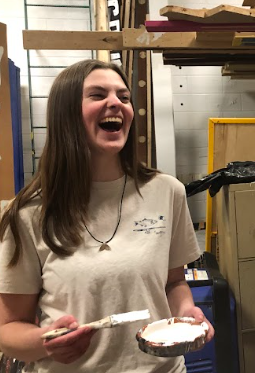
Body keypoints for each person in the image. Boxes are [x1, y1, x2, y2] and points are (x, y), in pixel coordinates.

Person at [0, 59, 214, 373]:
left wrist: (187, 312)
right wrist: (45, 342)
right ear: (67, 114)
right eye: (98, 95)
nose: (116, 103)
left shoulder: (167, 191)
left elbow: (173, 281)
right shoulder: (29, 213)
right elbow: (8, 329)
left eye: (124, 97)